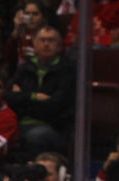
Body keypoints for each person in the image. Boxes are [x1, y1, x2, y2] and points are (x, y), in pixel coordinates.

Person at [5, 25, 74, 158]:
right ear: (35, 44)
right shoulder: (24, 68)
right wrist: (34, 96)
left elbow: (56, 107)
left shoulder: (66, 71)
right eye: (42, 40)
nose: (46, 44)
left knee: (35, 136)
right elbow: (9, 98)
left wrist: (23, 98)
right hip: (19, 123)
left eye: (51, 40)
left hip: (53, 127)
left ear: (59, 46)